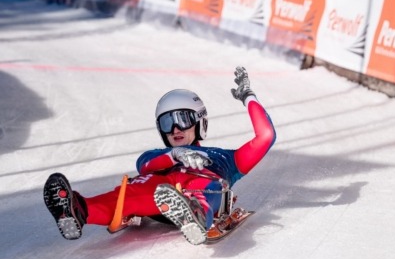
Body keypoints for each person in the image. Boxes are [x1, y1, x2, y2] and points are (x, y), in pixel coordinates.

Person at [43, 66, 276, 245]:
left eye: (183, 119)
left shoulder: (224, 158)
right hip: (162, 191)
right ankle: (77, 209)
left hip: (201, 182)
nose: (175, 129)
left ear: (199, 121)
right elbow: (143, 165)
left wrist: (248, 96)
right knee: (135, 189)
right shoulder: (160, 154)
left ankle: (195, 213)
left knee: (207, 185)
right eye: (167, 122)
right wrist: (174, 155)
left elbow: (266, 136)